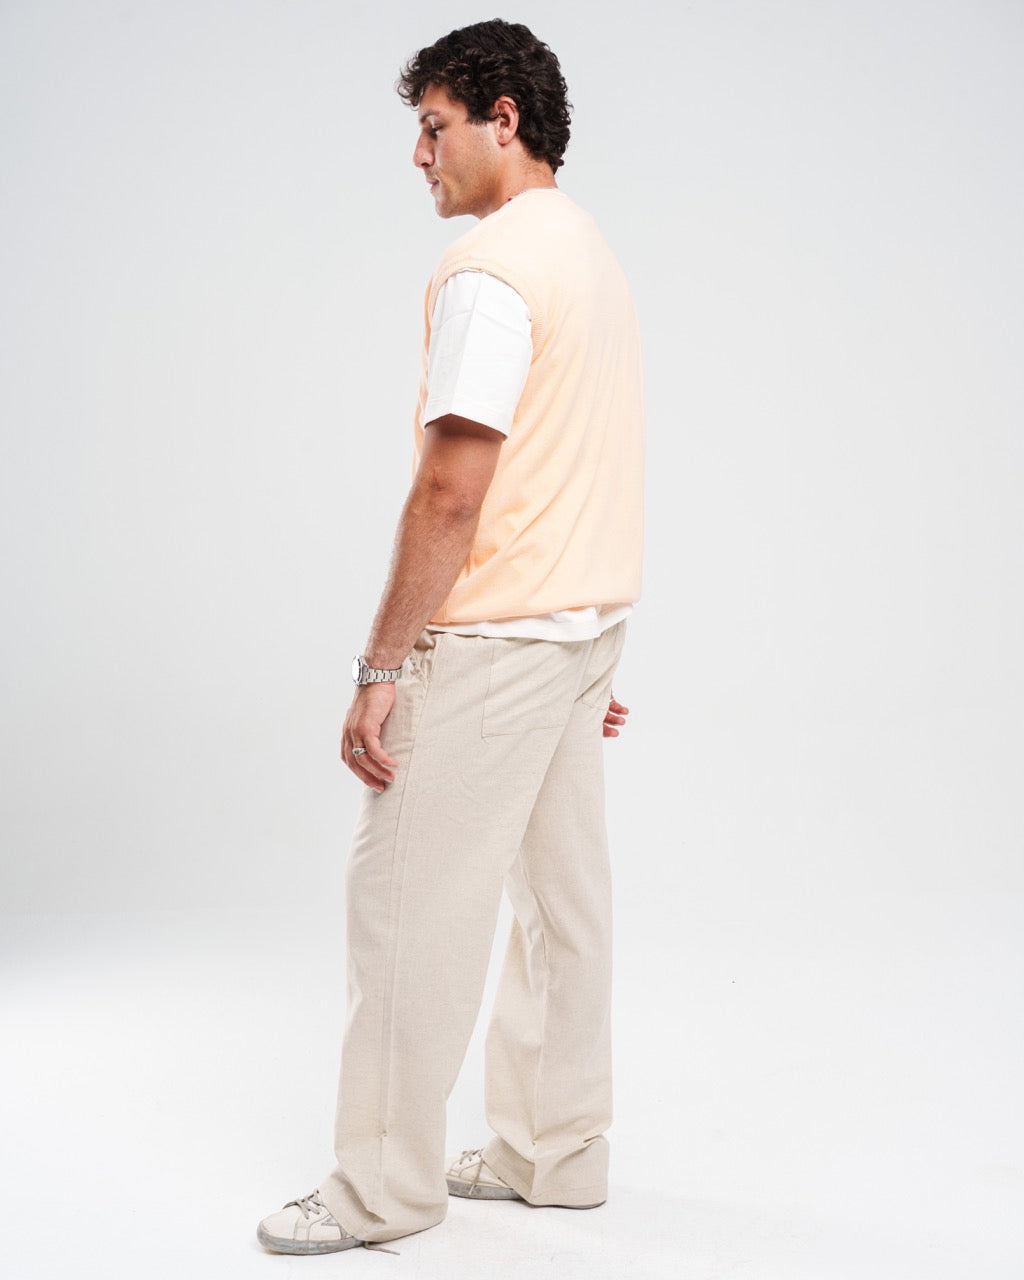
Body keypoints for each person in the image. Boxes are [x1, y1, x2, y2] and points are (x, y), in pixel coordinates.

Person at [256, 18, 645, 1255]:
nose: (417, 156)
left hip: (490, 648)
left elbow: (449, 490)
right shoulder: (587, 251)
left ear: (502, 118)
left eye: (432, 127)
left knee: (406, 914)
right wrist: (578, 646)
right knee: (562, 912)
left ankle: (380, 1189)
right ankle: (554, 1151)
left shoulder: (491, 271)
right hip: (578, 635)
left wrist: (380, 667)